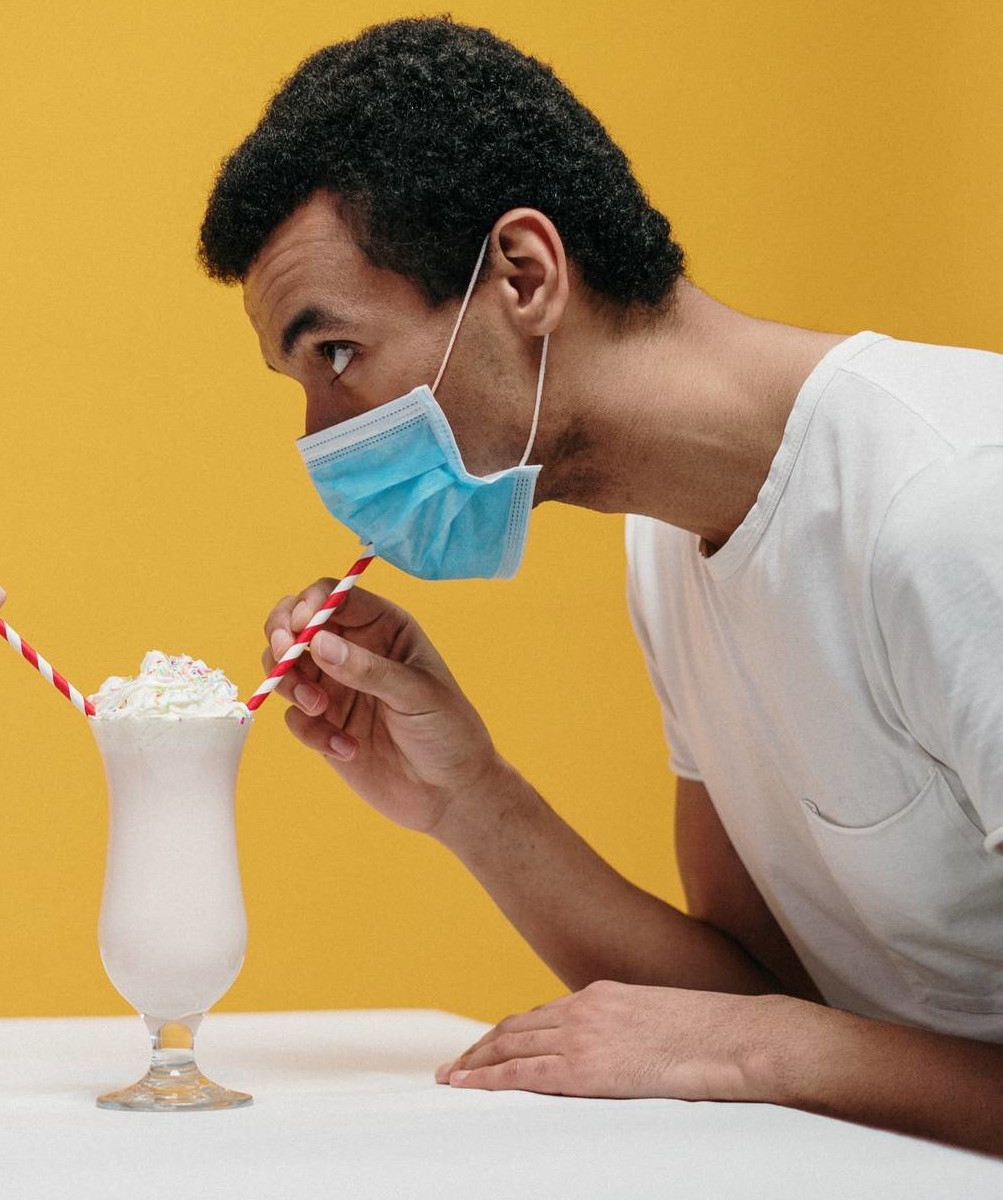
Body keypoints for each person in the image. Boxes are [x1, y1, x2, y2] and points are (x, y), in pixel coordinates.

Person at [199, 17, 1003, 1154]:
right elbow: (745, 987)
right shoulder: (670, 546)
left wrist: (756, 1054)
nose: (320, 435)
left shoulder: (956, 509)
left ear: (521, 275)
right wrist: (465, 797)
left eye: (332, 353)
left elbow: (749, 1033)